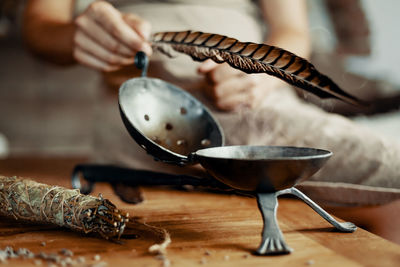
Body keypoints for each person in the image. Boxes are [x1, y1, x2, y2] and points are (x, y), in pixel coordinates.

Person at [23, 0, 400, 243]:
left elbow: (292, 31)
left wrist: (263, 75)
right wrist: (78, 33)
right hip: (142, 108)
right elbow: (40, 26)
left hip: (254, 96)